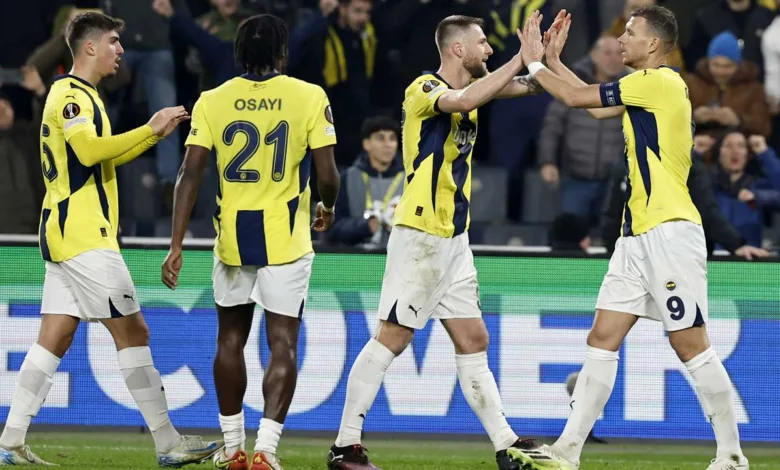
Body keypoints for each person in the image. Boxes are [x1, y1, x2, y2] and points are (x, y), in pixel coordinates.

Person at [511, 7, 750, 470]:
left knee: (690, 344)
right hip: (635, 236)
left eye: (631, 33)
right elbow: (594, 105)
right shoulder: (646, 88)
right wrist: (553, 61)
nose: (621, 39)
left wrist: (534, 60)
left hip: (669, 232)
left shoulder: (658, 82)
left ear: (654, 44)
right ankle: (567, 451)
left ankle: (732, 455)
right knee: (602, 337)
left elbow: (577, 97)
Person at [0, 12, 223, 467]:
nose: (121, 50)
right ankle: (168, 443)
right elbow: (88, 151)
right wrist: (149, 129)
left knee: (55, 337)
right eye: (114, 41)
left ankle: (11, 439)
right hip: (84, 237)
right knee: (134, 331)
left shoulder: (82, 95)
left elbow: (98, 158)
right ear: (90, 47)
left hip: (68, 234)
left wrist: (152, 134)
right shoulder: (71, 96)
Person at [326, 13, 548, 470]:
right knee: (393, 336)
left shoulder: (477, 88)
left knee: (473, 337)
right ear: (457, 49)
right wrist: (520, 59)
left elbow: (528, 86)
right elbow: (465, 98)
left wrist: (546, 62)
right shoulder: (424, 88)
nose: (489, 49)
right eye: (482, 43)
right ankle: (345, 446)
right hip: (422, 236)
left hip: (454, 239)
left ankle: (505, 444)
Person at [161, 14, 340, 470]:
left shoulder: (212, 100)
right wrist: (327, 206)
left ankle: (233, 447)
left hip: (232, 239)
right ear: (283, 53)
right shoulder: (309, 96)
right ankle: (266, 451)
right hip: (286, 237)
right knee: (282, 342)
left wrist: (176, 244)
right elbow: (327, 173)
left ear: (238, 52)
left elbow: (189, 174)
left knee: (230, 340)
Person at [328, 115, 403, 248]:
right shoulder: (347, 178)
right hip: (358, 257)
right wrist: (365, 226)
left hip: (399, 256)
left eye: (392, 138)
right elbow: (333, 229)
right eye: (380, 138)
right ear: (366, 144)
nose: (388, 145)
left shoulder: (409, 179)